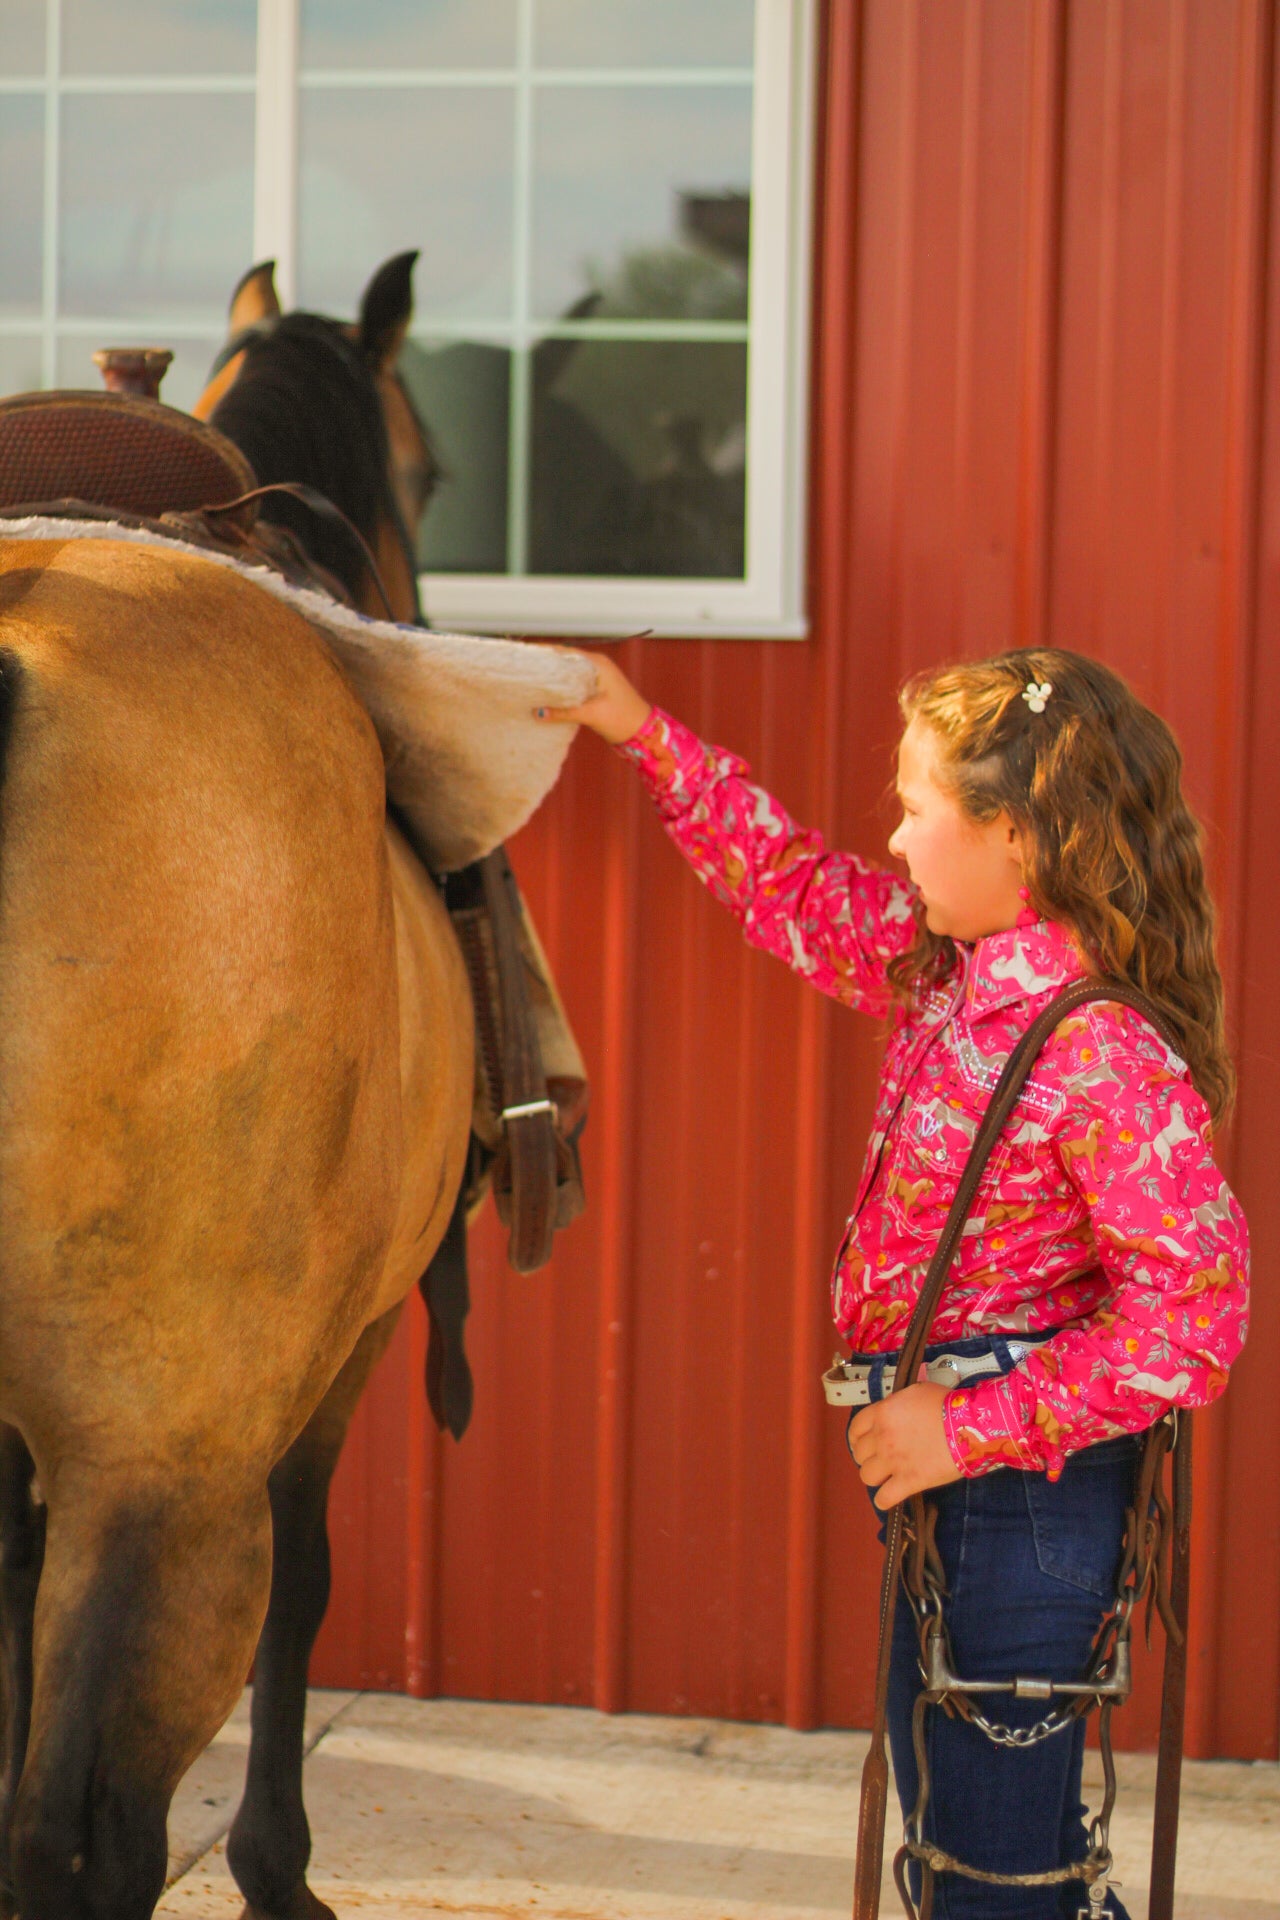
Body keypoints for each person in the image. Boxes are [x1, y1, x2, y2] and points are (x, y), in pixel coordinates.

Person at [536, 647, 1249, 1917]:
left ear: (1012, 838)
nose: (897, 836)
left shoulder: (1095, 1050)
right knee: (957, 1839)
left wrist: (959, 1428)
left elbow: (1191, 1319)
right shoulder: (950, 976)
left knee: (996, 1876)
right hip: (961, 1489)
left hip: (1020, 1495)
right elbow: (795, 892)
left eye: (917, 806)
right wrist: (637, 728)